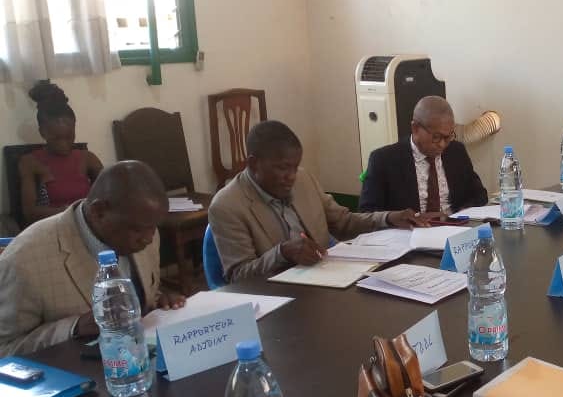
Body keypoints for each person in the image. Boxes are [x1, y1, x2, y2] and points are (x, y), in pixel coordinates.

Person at [0, 161, 183, 357]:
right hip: (75, 370)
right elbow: (5, 348)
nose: (149, 239)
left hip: (138, 360)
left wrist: (159, 300)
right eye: (138, 229)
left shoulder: (143, 228)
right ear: (98, 212)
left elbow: (141, 297)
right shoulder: (24, 262)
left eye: (154, 227)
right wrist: (74, 328)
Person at [209, 120, 425, 283]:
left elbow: (344, 222)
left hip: (326, 281)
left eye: (295, 167)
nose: (291, 176)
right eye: (282, 168)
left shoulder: (303, 179)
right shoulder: (227, 206)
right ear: (254, 164)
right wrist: (281, 253)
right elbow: (238, 277)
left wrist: (388, 217)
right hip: (276, 297)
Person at [359, 95, 488, 216]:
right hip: (409, 230)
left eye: (448, 137)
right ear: (415, 128)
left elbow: (480, 195)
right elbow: (367, 213)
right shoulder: (383, 160)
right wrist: (396, 219)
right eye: (436, 137)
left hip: (454, 226)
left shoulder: (456, 152)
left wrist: (463, 212)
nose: (442, 144)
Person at [18, 80, 103, 225]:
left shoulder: (88, 158)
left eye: (69, 137)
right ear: (42, 132)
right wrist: (71, 212)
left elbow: (109, 195)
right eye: (57, 138)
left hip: (88, 226)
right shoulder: (30, 162)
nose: (64, 144)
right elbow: (30, 212)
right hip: (52, 227)